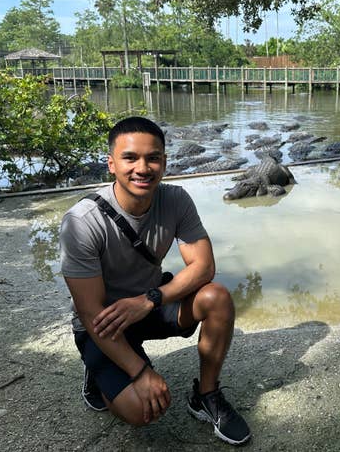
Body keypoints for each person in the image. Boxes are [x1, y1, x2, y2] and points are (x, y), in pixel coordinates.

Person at [59, 116, 250, 445]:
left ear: (164, 161)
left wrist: (148, 299)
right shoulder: (82, 222)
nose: (142, 168)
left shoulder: (175, 200)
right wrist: (141, 372)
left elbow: (203, 267)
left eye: (153, 157)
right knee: (142, 411)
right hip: (105, 323)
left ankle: (206, 395)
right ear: (111, 164)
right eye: (130, 158)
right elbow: (90, 313)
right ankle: (100, 370)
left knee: (216, 297)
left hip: (147, 305)